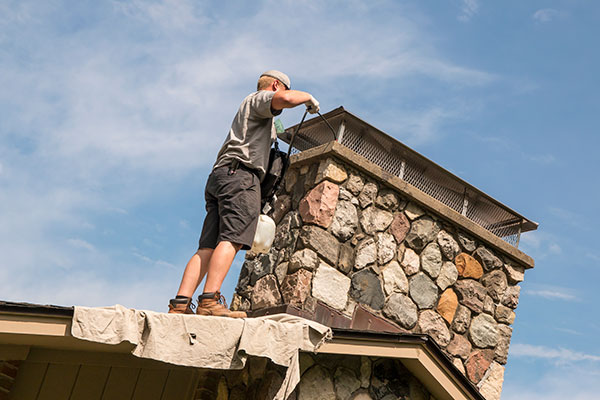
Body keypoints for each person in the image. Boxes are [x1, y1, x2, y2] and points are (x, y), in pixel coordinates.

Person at [168, 70, 319, 317]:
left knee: (207, 247)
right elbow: (287, 100)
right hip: (241, 177)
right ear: (275, 85)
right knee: (233, 238)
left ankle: (180, 304)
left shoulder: (257, 117)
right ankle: (209, 301)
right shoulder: (258, 99)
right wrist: (308, 98)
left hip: (222, 176)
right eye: (281, 90)